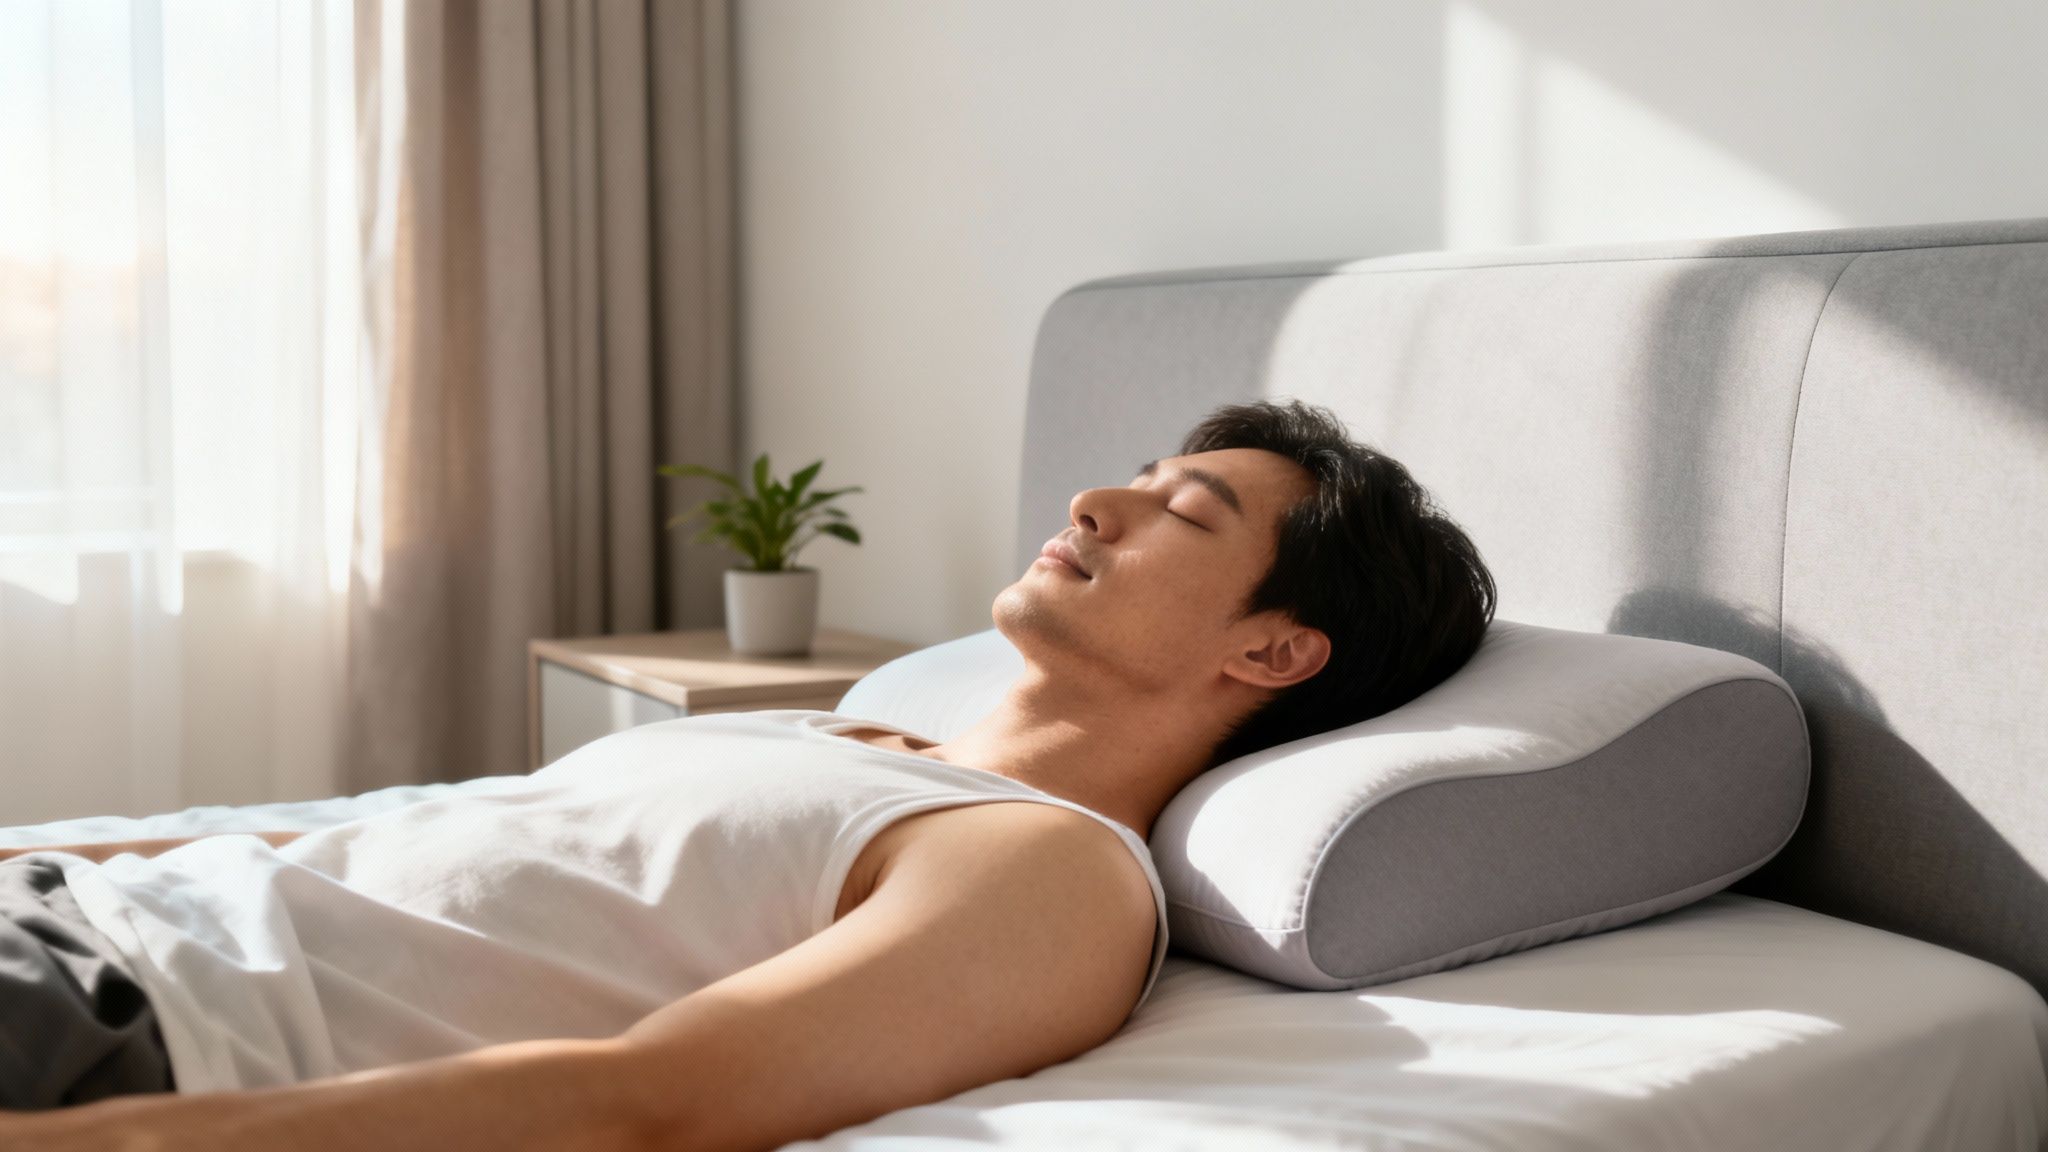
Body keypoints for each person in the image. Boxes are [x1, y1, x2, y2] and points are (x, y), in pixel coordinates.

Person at [0, 398, 1495, 1151]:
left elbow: (656, 1103)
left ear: (1276, 651)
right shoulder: (833, 738)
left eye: (1187, 511)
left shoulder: (1045, 868)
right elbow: (393, 836)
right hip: (68, 917)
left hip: (132, 1023)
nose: (1099, 500)